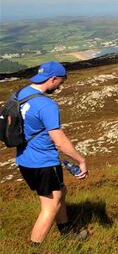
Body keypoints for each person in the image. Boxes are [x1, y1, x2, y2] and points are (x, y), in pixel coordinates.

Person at [14, 61, 88, 244]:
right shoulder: (46, 104)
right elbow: (60, 141)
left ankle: (67, 232)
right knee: (50, 206)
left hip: (25, 159)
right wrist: (81, 160)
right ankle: (35, 252)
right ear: (52, 79)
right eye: (60, 83)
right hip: (43, 163)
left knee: (61, 191)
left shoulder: (21, 94)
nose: (59, 87)